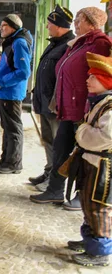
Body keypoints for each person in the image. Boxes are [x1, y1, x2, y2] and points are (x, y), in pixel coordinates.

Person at [31, 7, 111, 209]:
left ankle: (81, 194)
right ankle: (55, 191)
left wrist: (88, 107)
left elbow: (102, 77)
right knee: (60, 149)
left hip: (84, 110)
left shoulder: (99, 43)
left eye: (79, 20)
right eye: (75, 19)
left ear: (92, 23)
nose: (75, 23)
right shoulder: (77, 44)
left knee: (84, 155)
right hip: (68, 108)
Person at [64, 52, 112, 267]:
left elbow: (104, 138)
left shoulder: (110, 107)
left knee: (99, 207)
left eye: (93, 77)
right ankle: (89, 241)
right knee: (87, 202)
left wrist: (82, 131)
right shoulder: (99, 103)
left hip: (103, 167)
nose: (87, 79)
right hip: (92, 162)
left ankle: (100, 252)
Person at [28, 5, 74, 191]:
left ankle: (54, 181)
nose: (47, 27)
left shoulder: (68, 46)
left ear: (59, 25)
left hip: (54, 106)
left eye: (49, 23)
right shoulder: (55, 43)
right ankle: (48, 171)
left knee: (57, 144)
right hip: (44, 102)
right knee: (47, 140)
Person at [0, 14, 33, 174]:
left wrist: (2, 82)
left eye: (5, 26)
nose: (1, 28)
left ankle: (14, 163)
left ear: (14, 27)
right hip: (7, 92)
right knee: (7, 127)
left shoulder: (19, 42)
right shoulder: (13, 41)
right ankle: (6, 159)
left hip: (11, 92)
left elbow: (23, 72)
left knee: (13, 128)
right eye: (1, 26)